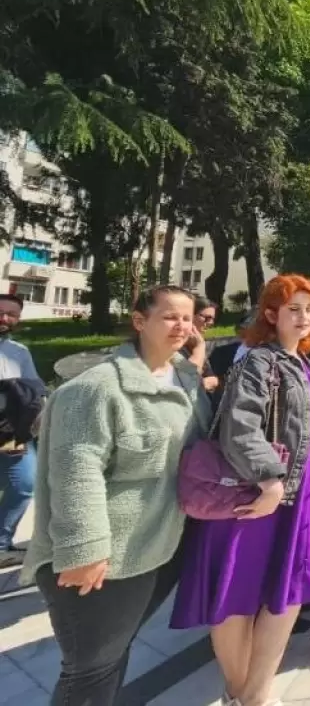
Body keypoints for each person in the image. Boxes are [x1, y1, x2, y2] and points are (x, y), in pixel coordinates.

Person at [22, 286, 210, 704]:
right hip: (104, 560)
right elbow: (75, 472)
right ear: (140, 321)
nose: (182, 326)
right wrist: (85, 550)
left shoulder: (184, 377)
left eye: (188, 317)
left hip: (158, 546)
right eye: (169, 317)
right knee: (89, 669)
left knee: (112, 656)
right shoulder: (95, 389)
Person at [171, 275, 310, 703]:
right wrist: (269, 480)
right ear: (270, 314)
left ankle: (254, 691)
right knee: (238, 594)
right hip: (263, 489)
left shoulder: (304, 362)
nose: (303, 317)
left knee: (289, 590)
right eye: (293, 308)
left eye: (309, 309)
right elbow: (239, 427)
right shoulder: (259, 361)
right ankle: (242, 691)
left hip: (303, 488)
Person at [0, 293, 40, 568]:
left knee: (24, 483)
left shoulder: (19, 352)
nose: (4, 318)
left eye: (11, 314)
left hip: (9, 433)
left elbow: (34, 390)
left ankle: (1, 544)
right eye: (1, 311)